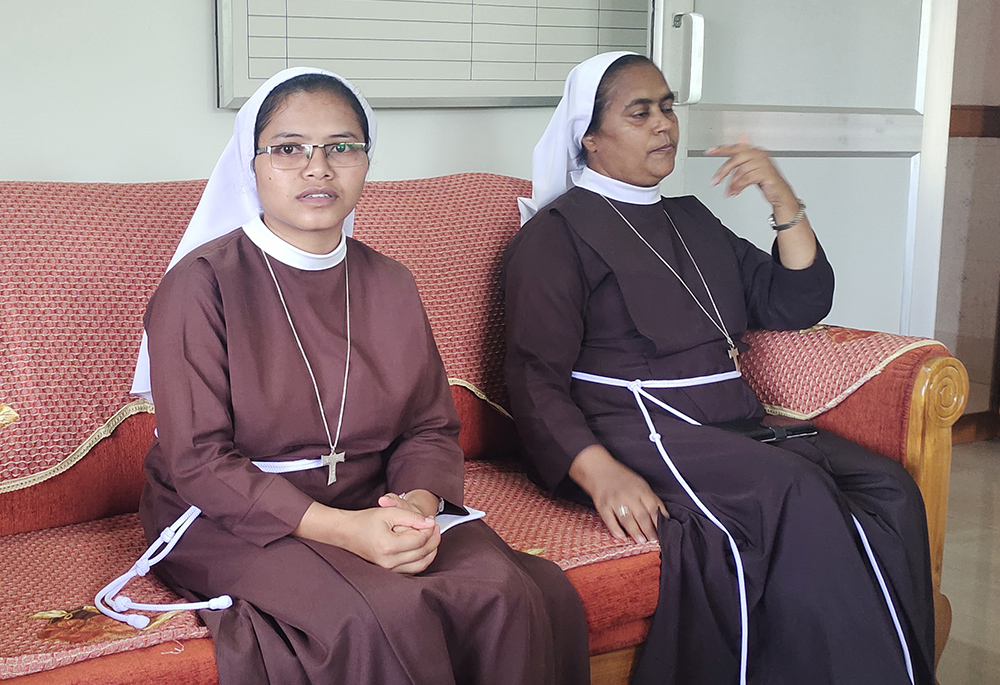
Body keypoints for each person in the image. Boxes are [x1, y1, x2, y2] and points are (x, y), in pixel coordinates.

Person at [114, 67, 589, 685]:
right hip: (229, 515)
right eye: (288, 149)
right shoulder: (200, 286)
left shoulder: (389, 281)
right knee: (377, 616)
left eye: (342, 147)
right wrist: (346, 531)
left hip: (375, 497)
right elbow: (200, 462)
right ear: (250, 165)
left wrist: (416, 509)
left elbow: (428, 426)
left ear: (366, 161)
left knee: (511, 592)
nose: (318, 167)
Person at [503, 52, 934, 685]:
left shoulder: (692, 219)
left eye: (668, 106)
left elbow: (796, 300)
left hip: (728, 419)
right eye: (639, 111)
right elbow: (533, 378)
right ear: (589, 138)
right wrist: (600, 476)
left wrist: (780, 195)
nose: (663, 124)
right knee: (793, 490)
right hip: (635, 426)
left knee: (889, 486)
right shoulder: (555, 236)